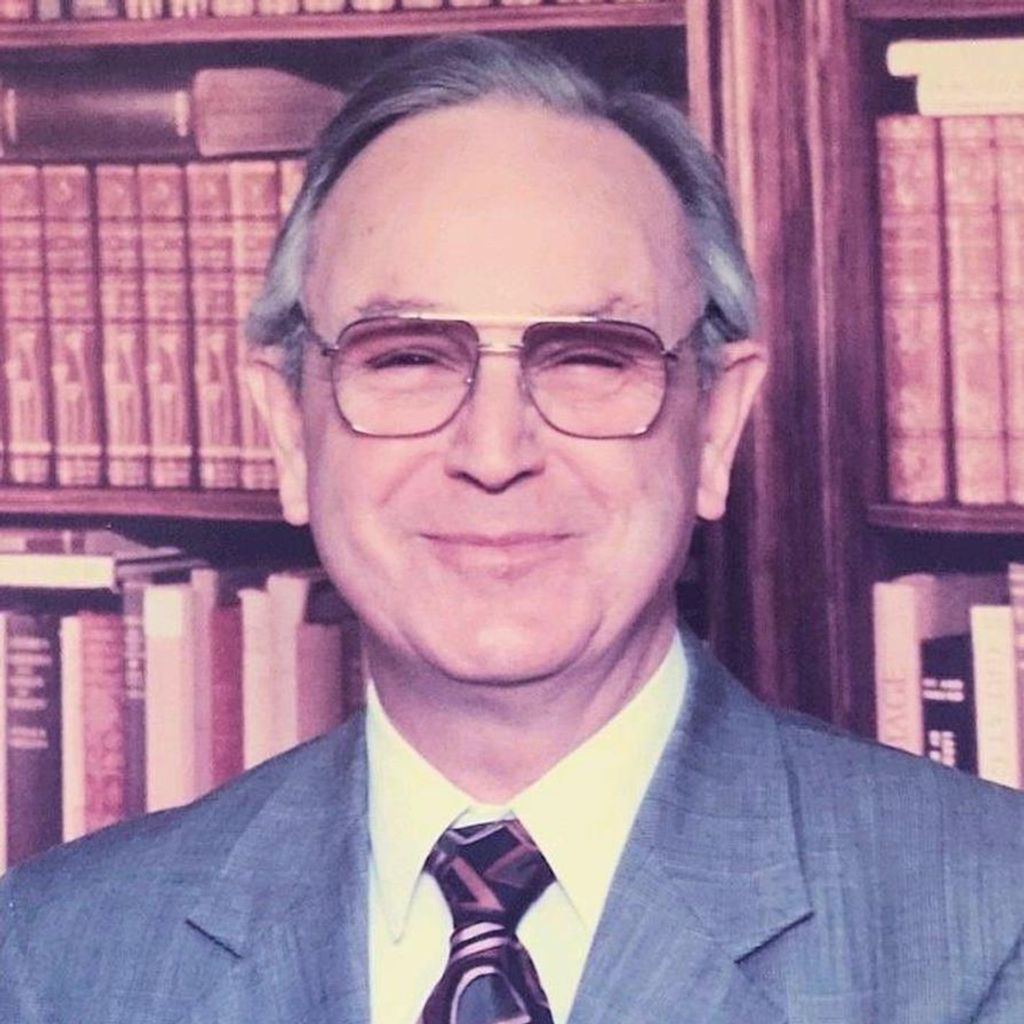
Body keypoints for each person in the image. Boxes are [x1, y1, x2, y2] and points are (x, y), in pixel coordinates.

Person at [2, 34, 1023, 1024]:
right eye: (407, 357)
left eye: (589, 357)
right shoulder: (54, 959)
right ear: (287, 431)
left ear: (715, 425)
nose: (494, 452)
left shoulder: (991, 928)